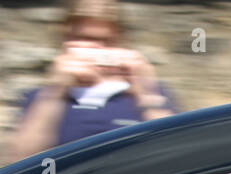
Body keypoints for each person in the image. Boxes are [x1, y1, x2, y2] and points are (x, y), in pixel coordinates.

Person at [7, 0, 176, 162]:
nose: (96, 49)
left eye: (106, 41)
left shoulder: (148, 94)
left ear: (120, 42)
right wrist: (55, 90)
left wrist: (146, 93)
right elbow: (21, 162)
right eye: (85, 38)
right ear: (65, 40)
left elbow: (175, 152)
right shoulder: (41, 98)